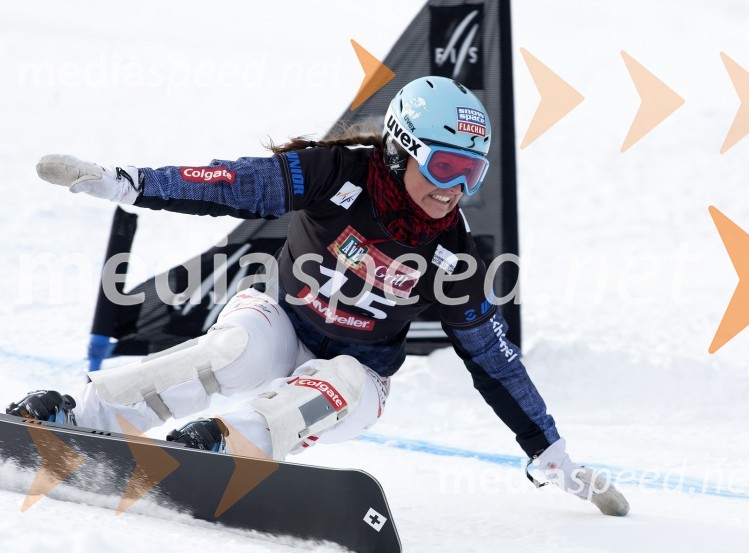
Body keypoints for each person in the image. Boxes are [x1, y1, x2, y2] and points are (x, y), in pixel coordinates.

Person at [7, 76, 628, 515]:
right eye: (445, 168)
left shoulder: (456, 255)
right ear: (402, 147)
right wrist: (132, 185)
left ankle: (228, 445)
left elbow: (495, 363)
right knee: (239, 347)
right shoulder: (337, 174)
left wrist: (552, 453)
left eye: (473, 174)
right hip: (283, 319)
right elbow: (234, 185)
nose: (455, 190)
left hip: (358, 373)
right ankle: (84, 417)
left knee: (343, 382)